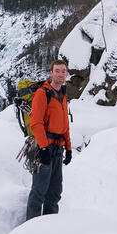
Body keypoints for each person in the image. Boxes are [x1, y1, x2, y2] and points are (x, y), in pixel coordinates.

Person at [26, 59, 72, 220]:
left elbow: (64, 124)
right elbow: (36, 123)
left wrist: (69, 148)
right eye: (57, 71)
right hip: (44, 149)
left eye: (63, 71)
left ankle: (48, 229)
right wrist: (43, 148)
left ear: (67, 74)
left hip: (58, 149)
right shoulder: (42, 93)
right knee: (39, 191)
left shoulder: (62, 94)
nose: (60, 74)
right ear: (51, 73)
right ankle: (29, 231)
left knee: (54, 192)